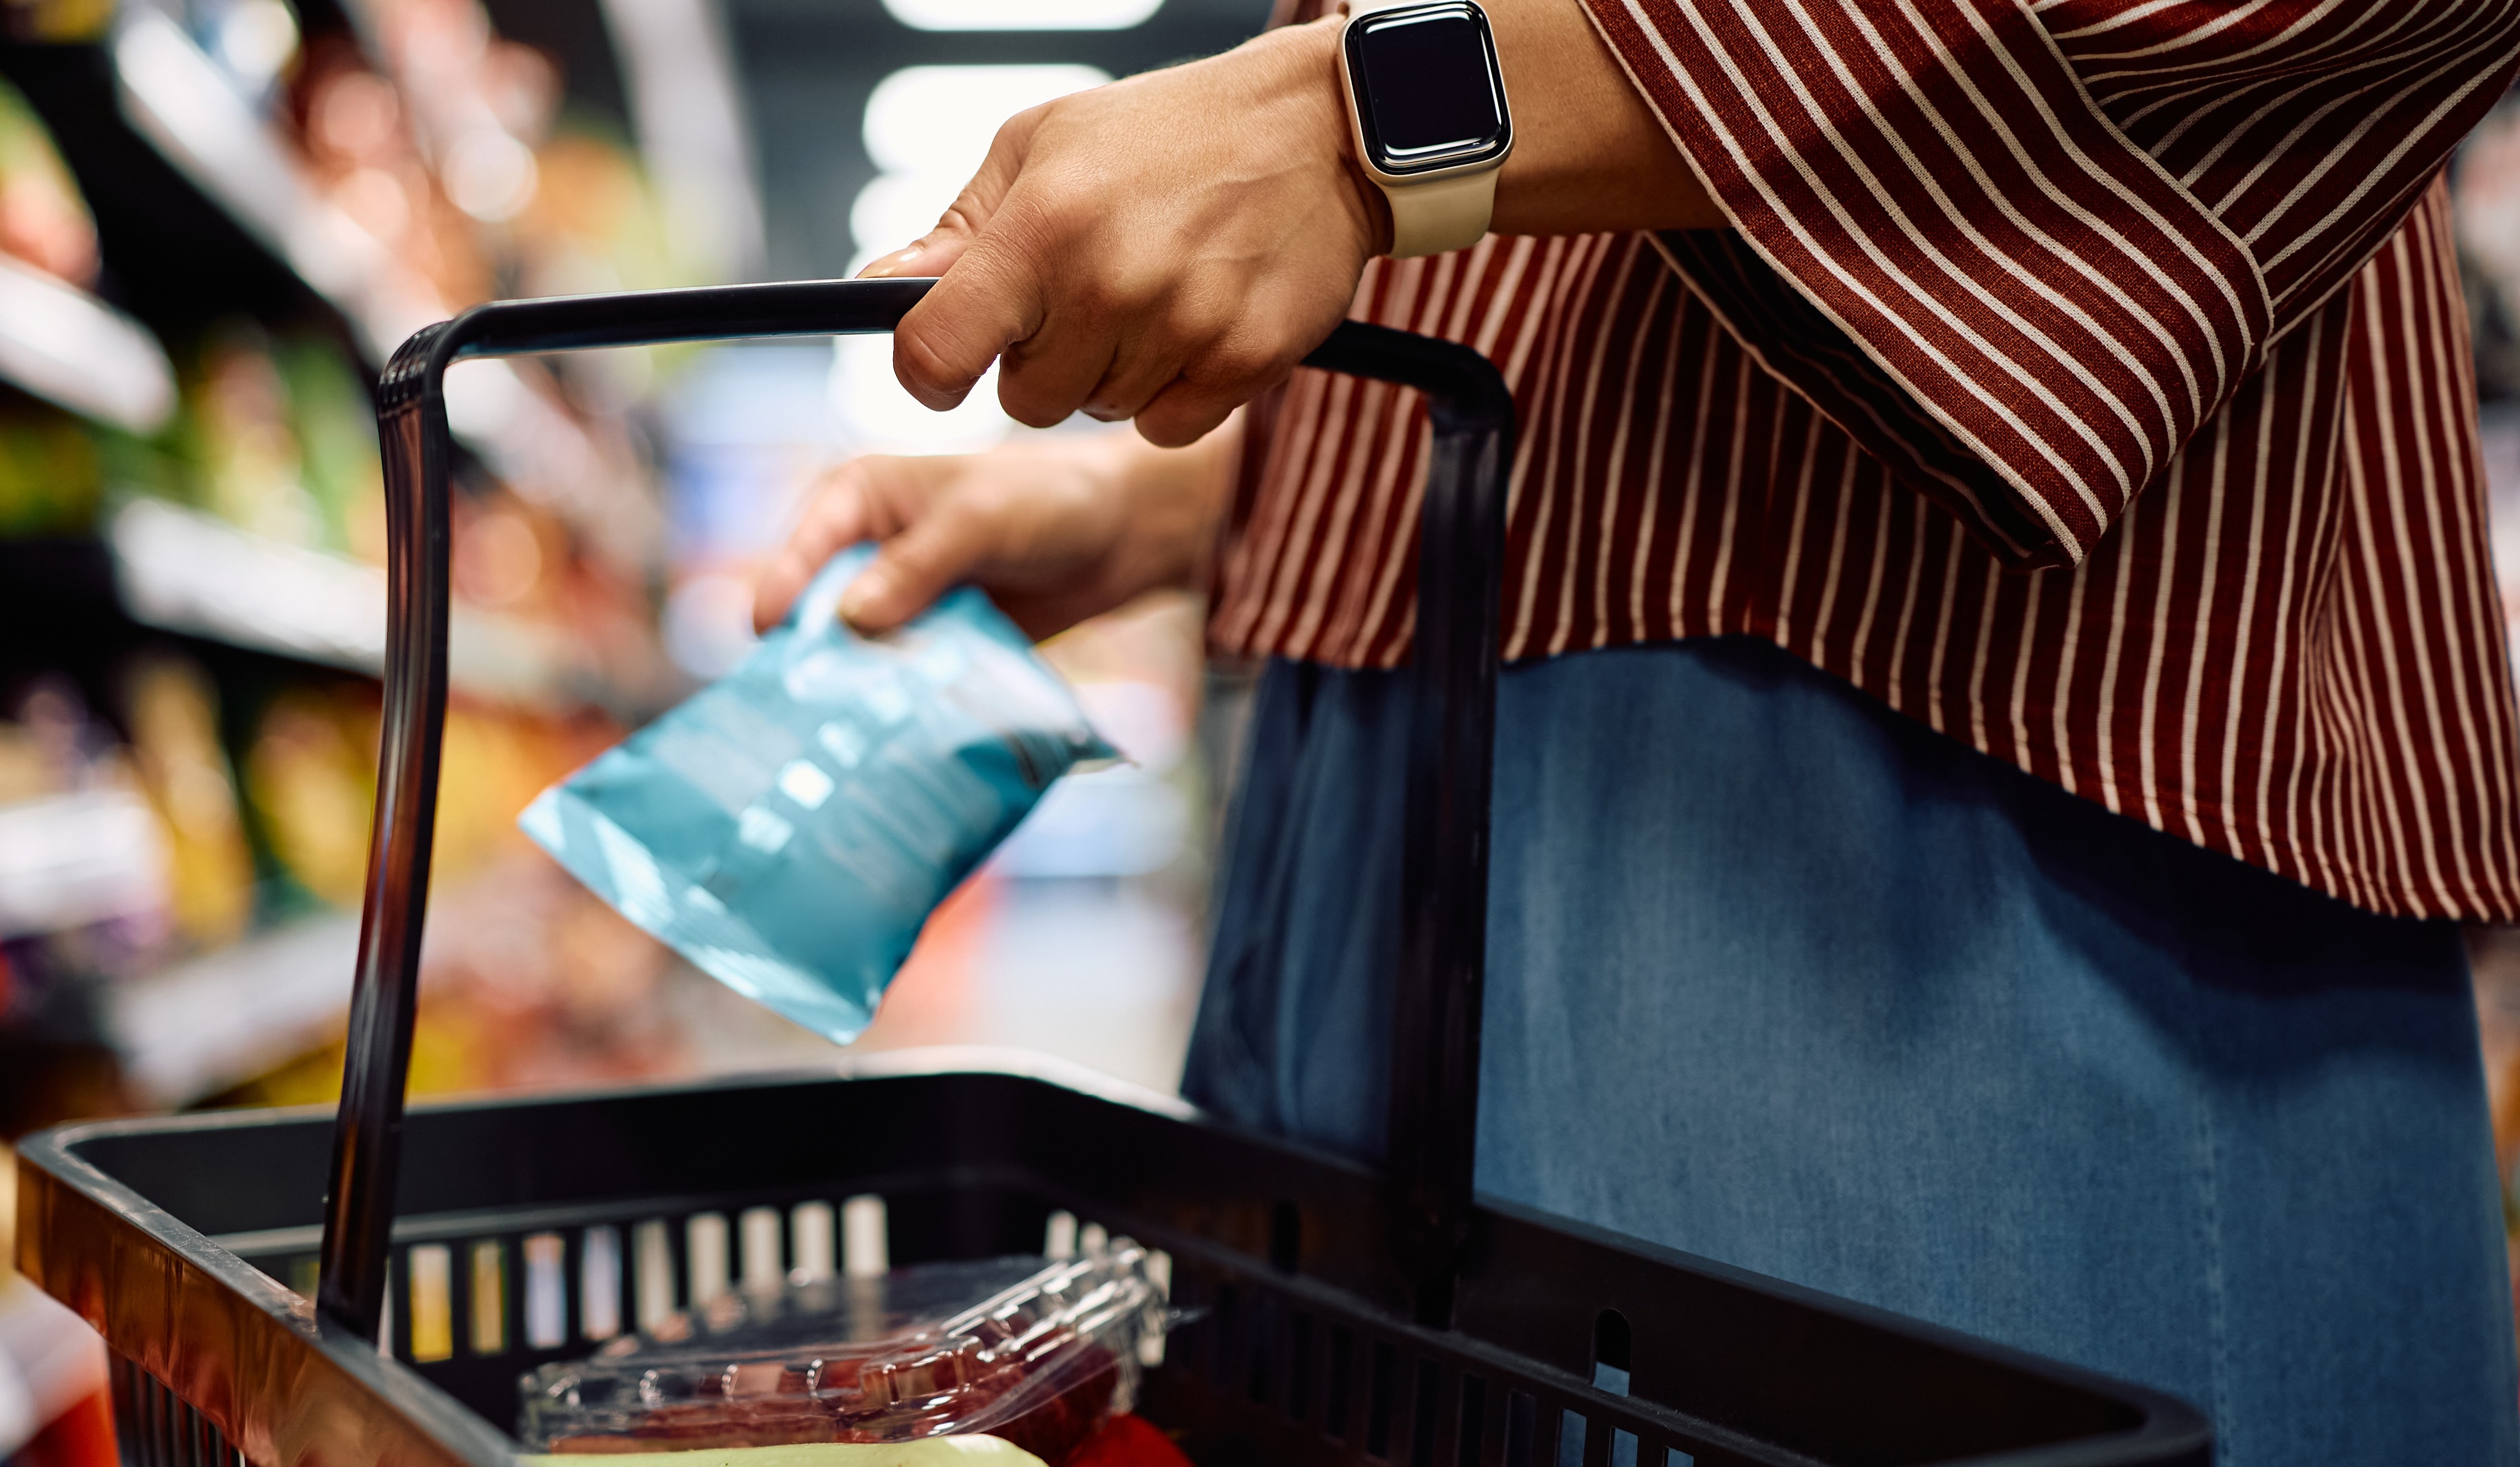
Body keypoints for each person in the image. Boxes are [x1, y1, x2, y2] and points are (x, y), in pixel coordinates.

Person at [752, 1, 2520, 1461]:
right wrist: (1195, 507)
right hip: (1379, 772)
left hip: (1943, 785)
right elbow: (1561, 310)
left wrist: (1379, 110)